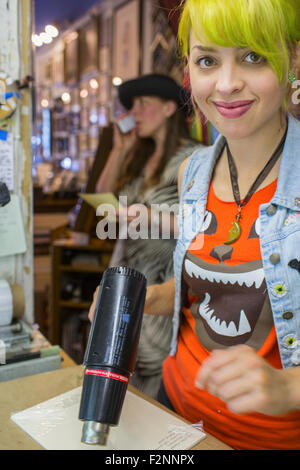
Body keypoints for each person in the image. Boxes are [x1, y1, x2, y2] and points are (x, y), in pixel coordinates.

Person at [142, 0, 300, 450]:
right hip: (172, 414)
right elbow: (207, 288)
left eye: (253, 56)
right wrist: (145, 296)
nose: (227, 84)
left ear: (293, 59)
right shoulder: (193, 171)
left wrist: (288, 389)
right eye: (208, 60)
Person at [92, 73, 200, 399]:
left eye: (142, 104)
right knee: (122, 373)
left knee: (151, 383)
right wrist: (119, 150)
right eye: (131, 106)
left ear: (169, 108)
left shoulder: (195, 159)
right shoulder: (140, 157)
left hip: (164, 285)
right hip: (128, 274)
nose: (133, 113)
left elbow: (203, 223)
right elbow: (102, 200)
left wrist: (149, 217)